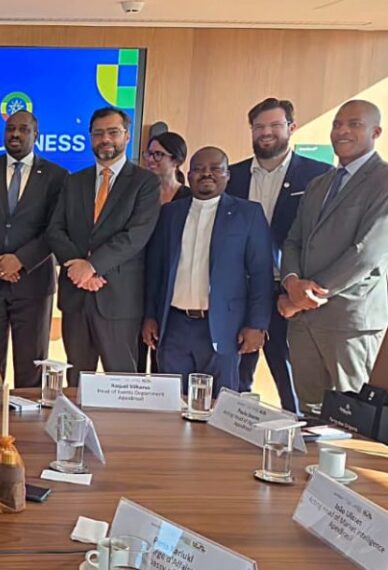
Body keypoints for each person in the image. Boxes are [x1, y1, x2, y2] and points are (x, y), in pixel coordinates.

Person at [280, 100, 388, 413]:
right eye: (337, 124)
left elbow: (367, 253)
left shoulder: (383, 181)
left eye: (354, 124)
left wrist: (304, 297)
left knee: (352, 419)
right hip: (304, 324)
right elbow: (294, 240)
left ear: (376, 132)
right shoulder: (319, 183)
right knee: (310, 415)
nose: (342, 131)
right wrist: (291, 283)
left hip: (347, 323)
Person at [227, 98, 332, 413]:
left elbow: (323, 240)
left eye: (274, 125)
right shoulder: (232, 176)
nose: (266, 132)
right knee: (235, 382)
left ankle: (298, 433)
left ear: (291, 127)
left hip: (287, 294)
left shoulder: (319, 176)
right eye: (259, 126)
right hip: (240, 292)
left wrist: (299, 295)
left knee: (290, 383)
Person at [46, 107, 160, 385]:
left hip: (118, 300)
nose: (105, 139)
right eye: (98, 133)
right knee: (76, 382)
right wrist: (79, 269)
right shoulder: (74, 181)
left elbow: (135, 235)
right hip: (76, 298)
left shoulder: (144, 182)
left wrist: (93, 266)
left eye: (113, 132)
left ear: (127, 136)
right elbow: (55, 230)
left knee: (122, 383)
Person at [143, 147, 272, 393]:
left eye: (215, 169)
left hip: (224, 327)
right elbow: (155, 270)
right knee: (170, 402)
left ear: (227, 175)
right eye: (199, 169)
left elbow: (261, 275)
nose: (207, 174)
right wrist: (150, 315)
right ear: (188, 175)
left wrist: (257, 324)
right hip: (174, 326)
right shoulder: (170, 213)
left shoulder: (248, 214)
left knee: (220, 405)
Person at [0, 111, 68, 389]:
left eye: (23, 129)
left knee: (31, 367)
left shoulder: (56, 176)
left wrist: (20, 260)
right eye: (10, 129)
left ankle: (28, 417)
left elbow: (55, 228)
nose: (15, 134)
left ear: (36, 135)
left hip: (33, 284)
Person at [136, 131, 191, 373]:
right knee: (135, 361)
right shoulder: (138, 195)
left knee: (164, 362)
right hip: (138, 283)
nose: (150, 160)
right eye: (148, 154)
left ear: (176, 160)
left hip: (171, 286)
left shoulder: (189, 198)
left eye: (158, 155)